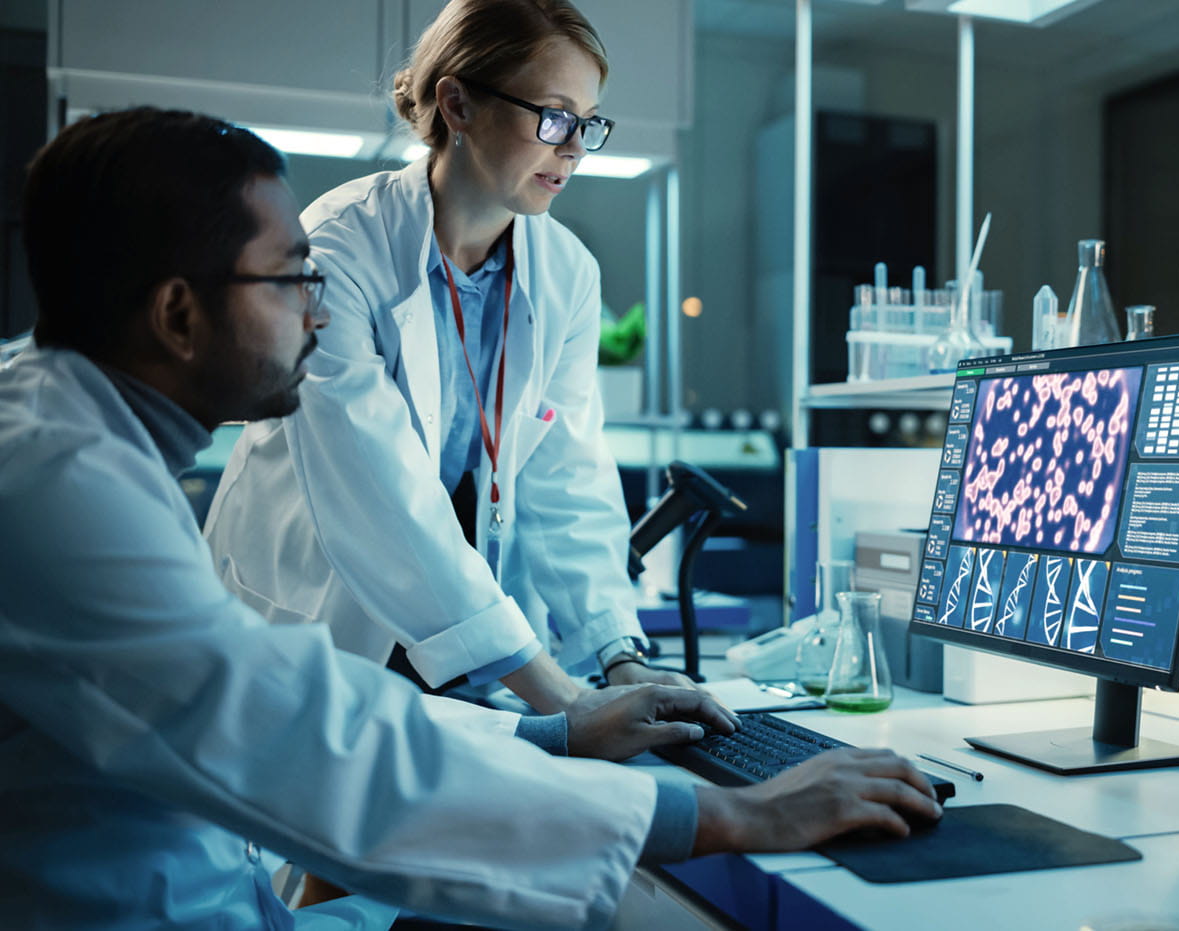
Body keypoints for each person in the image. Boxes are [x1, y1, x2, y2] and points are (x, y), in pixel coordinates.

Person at [0, 106, 941, 930]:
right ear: (177, 314)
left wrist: (563, 728)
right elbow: (314, 742)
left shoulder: (77, 438)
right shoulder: (60, 489)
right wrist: (736, 816)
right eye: (291, 282)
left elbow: (319, 721)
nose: (318, 318)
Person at [203, 0, 684, 711]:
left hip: (462, 654)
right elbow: (379, 496)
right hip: (309, 626)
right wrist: (558, 697)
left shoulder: (567, 274)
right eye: (554, 117)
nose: (575, 146)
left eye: (588, 121)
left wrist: (617, 654)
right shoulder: (340, 247)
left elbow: (568, 477)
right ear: (457, 102)